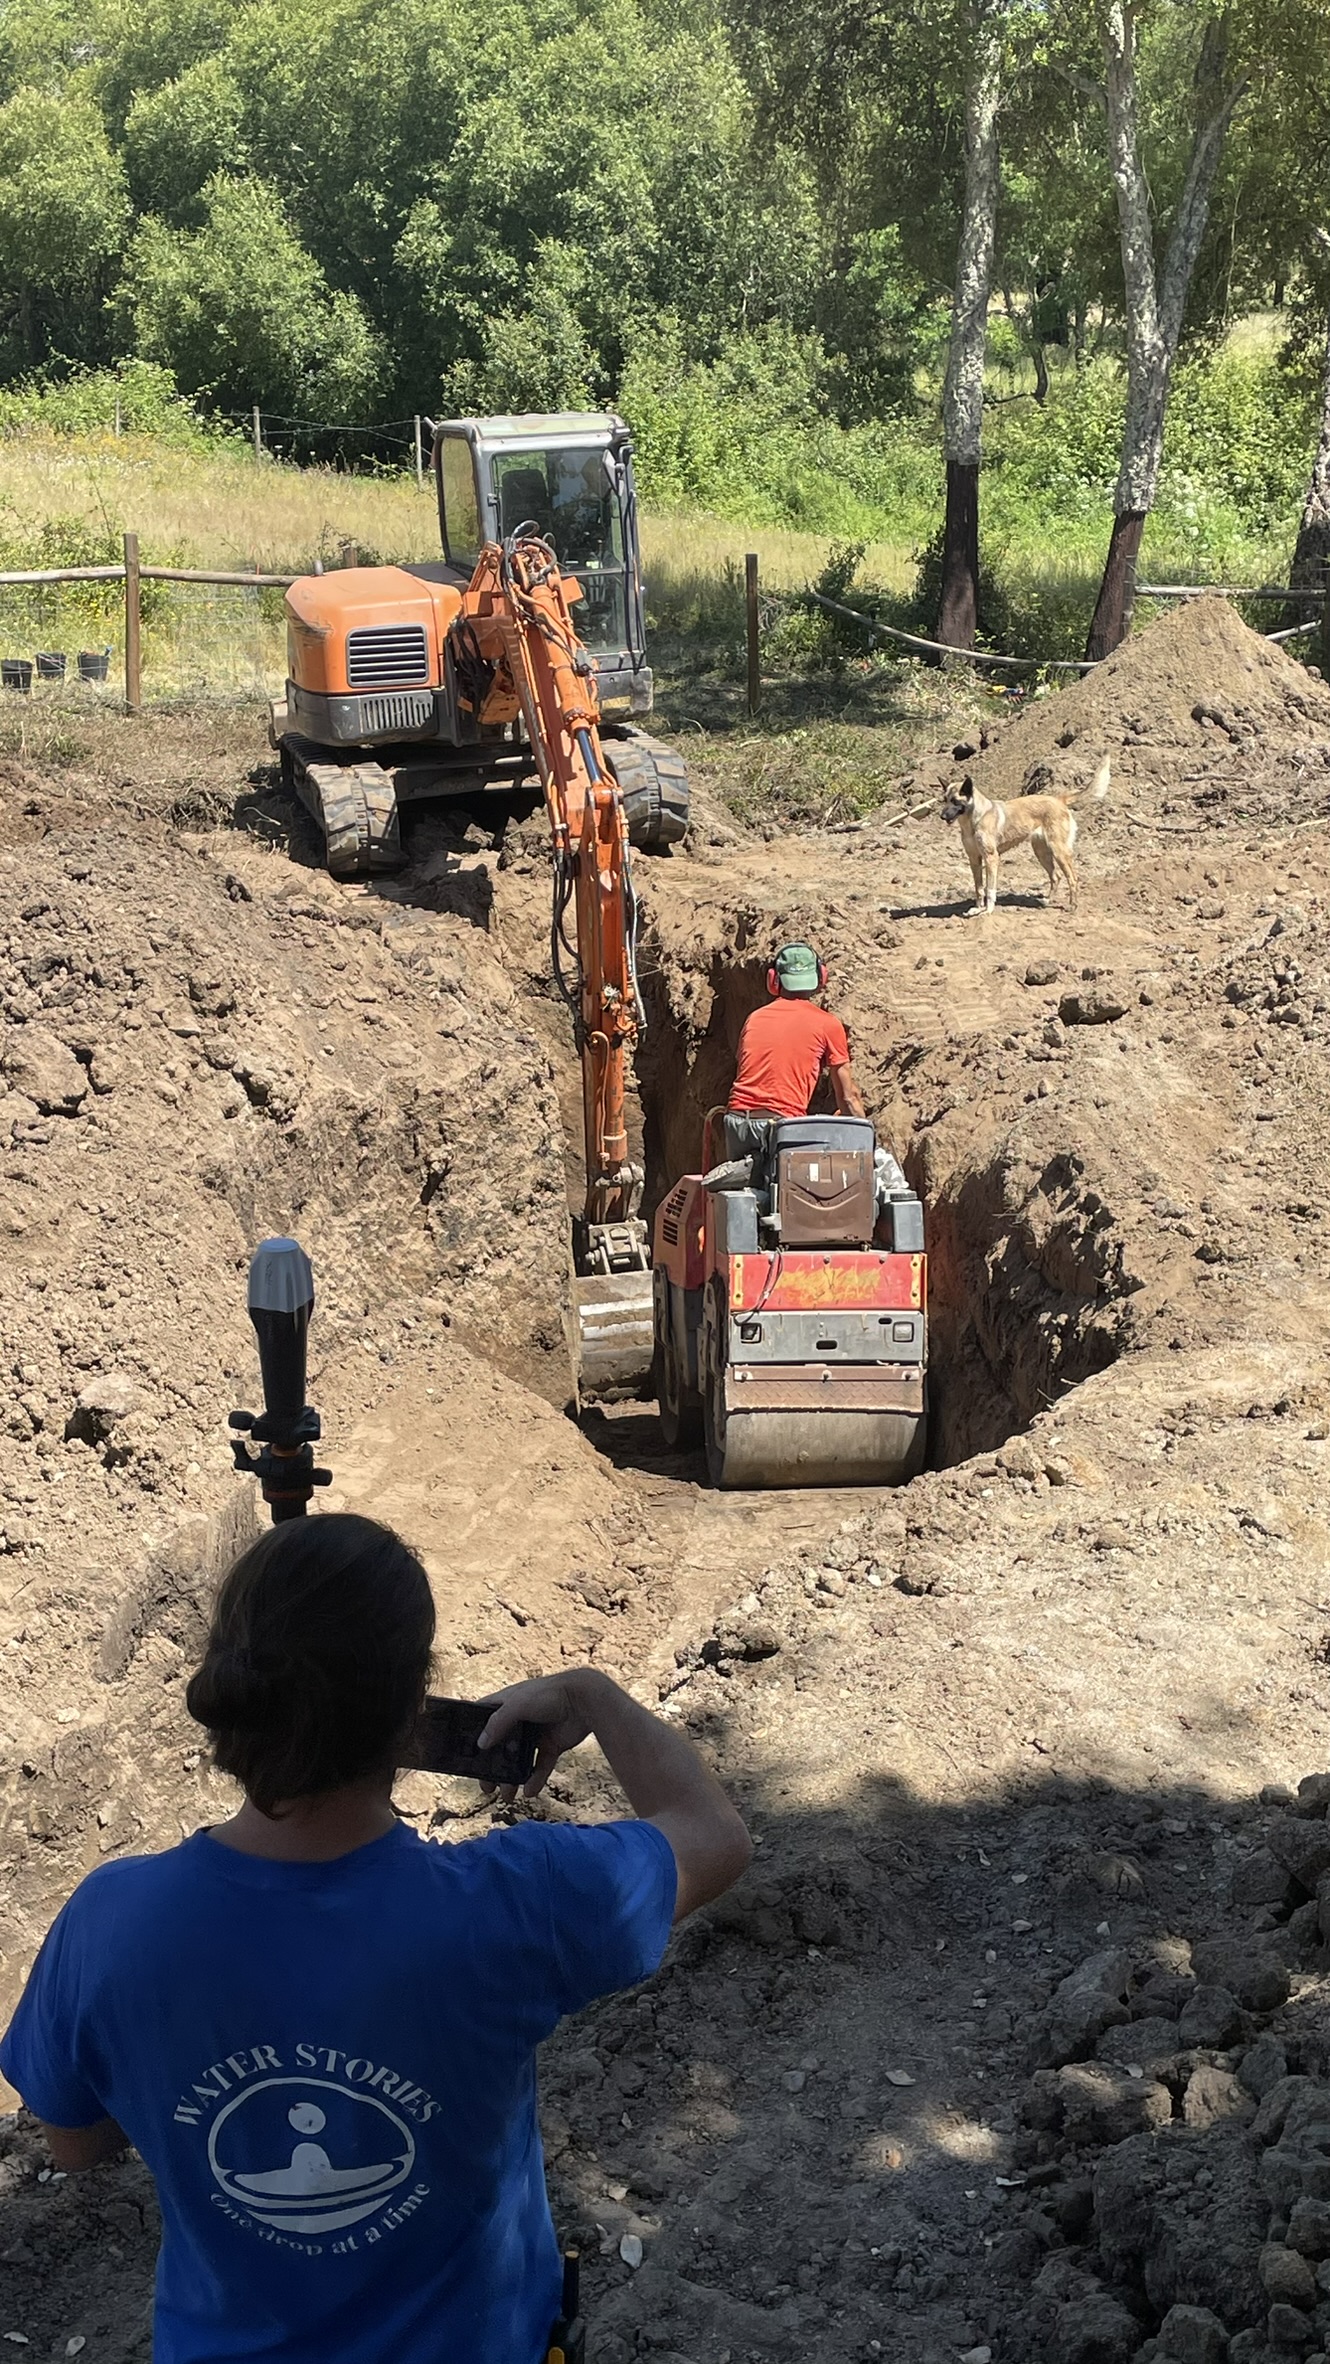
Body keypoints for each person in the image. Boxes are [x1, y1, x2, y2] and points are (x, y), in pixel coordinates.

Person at [0, 1513, 750, 2364]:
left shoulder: (107, 1922)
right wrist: (593, 1695)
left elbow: (75, 2140)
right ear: (410, 1718)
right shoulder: (517, 1905)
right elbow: (713, 1836)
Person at [723, 940, 867, 1168]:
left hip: (736, 1124)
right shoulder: (827, 1024)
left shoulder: (754, 1018)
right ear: (821, 977)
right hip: (782, 1127)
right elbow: (848, 1097)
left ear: (774, 980)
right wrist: (867, 1138)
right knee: (793, 1194)